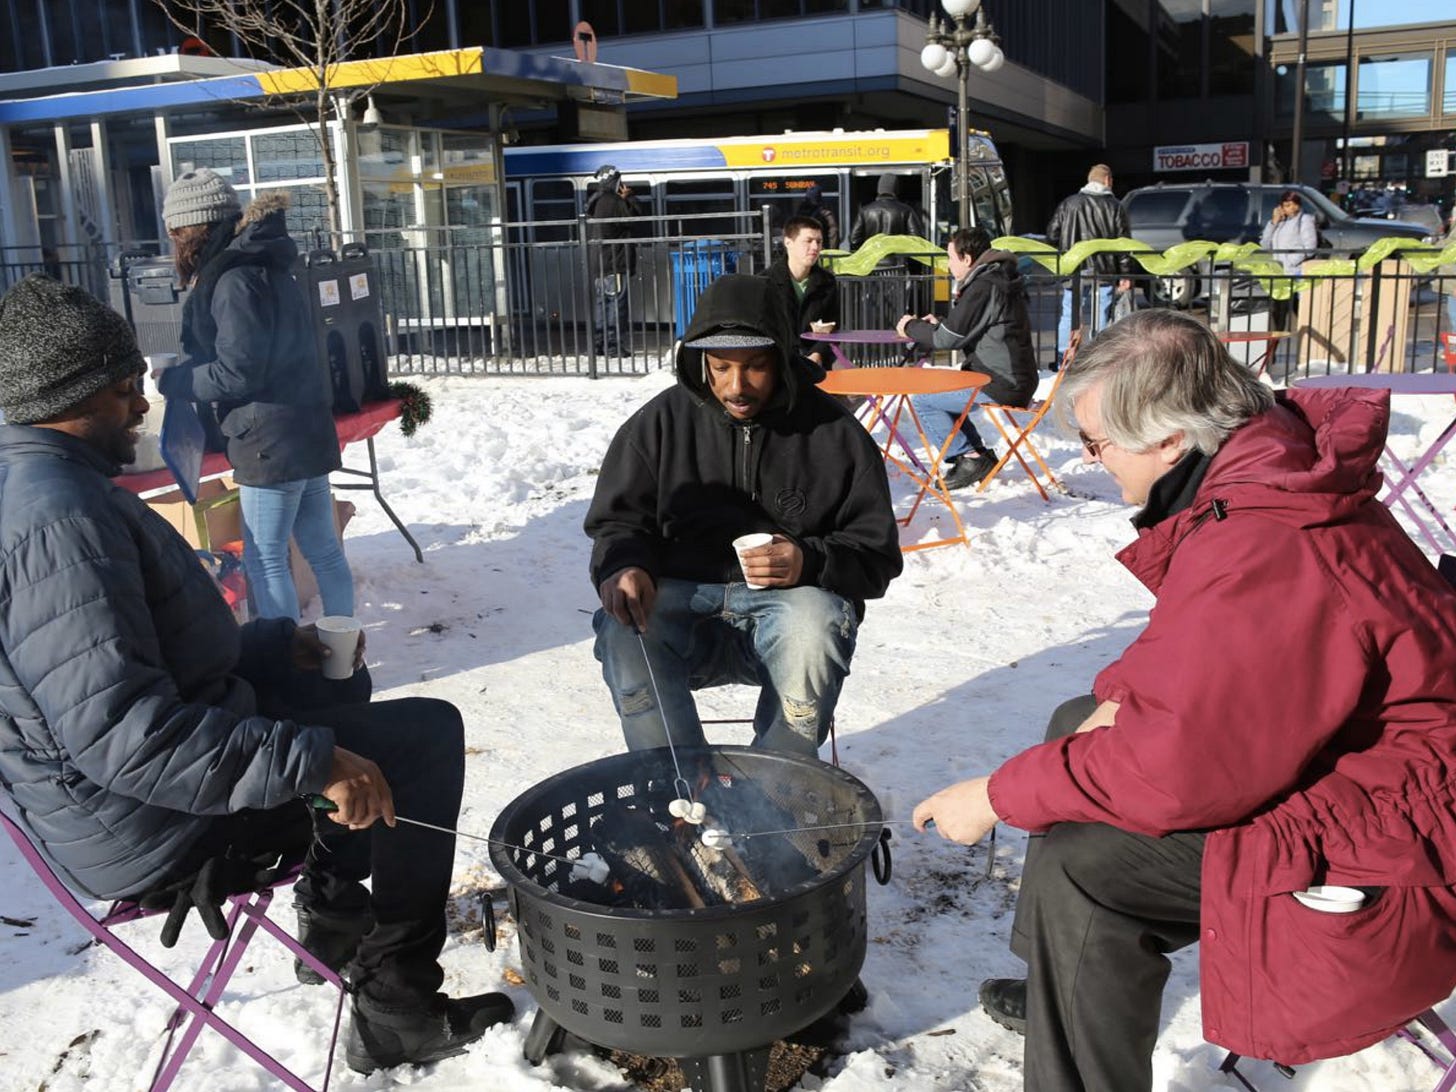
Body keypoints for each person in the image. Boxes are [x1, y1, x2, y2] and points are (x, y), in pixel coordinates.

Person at [913, 308, 1456, 1092]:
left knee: (1084, 868)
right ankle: (1063, 991)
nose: (1098, 464)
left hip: (1400, 829)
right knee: (1077, 723)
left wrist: (996, 794)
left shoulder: (1267, 536)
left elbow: (1178, 772)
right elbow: (1207, 659)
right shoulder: (1255, 474)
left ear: (1167, 439)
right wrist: (1116, 701)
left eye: (1098, 446)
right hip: (1363, 764)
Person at [0, 274, 515, 1076]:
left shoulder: (48, 487)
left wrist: (276, 648)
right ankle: (398, 1006)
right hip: (148, 824)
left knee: (332, 688)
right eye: (126, 387)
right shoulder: (58, 520)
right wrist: (310, 763)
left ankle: (337, 920)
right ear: (73, 392)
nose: (141, 406)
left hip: (130, 794)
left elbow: (138, 666)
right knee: (424, 738)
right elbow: (122, 735)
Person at [585, 273, 903, 757]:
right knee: (623, 632)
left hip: (791, 613)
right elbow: (618, 523)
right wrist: (624, 565)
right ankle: (679, 790)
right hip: (680, 609)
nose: (736, 386)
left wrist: (807, 561)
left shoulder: (835, 434)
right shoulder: (658, 425)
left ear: (782, 359)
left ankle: (775, 790)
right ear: (699, 362)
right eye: (719, 367)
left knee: (814, 626)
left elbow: (876, 557)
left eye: (755, 366)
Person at [156, 169, 352, 622]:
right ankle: (343, 646)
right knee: (323, 551)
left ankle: (284, 658)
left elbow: (238, 372)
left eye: (177, 232)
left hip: (268, 441)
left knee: (266, 559)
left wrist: (177, 380)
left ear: (198, 228)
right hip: (303, 427)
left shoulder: (233, 281)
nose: (173, 242)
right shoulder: (268, 263)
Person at [895, 226, 1038, 489]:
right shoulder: (997, 278)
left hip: (1002, 382)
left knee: (925, 401)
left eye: (950, 258)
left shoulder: (984, 286)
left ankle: (967, 457)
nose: (948, 265)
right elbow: (973, 329)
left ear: (967, 259)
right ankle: (977, 454)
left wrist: (911, 327)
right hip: (1013, 377)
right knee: (941, 391)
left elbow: (946, 340)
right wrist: (939, 324)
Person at [1046, 164, 1134, 365]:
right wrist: (1125, 274)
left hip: (1074, 269)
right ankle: (1098, 360)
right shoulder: (1115, 206)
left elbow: (1052, 234)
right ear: (1107, 180)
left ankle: (1064, 359)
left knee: (1069, 313)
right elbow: (1124, 244)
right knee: (1101, 315)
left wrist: (1063, 257)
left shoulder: (1069, 203)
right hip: (1105, 271)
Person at [849, 173, 930, 328]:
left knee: (871, 306)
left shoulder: (865, 211)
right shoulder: (906, 211)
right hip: (897, 268)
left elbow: (854, 240)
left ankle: (873, 341)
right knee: (897, 308)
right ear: (896, 189)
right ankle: (895, 344)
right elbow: (917, 240)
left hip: (870, 269)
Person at [762, 215, 839, 368]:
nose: (815, 247)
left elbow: (834, 326)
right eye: (808, 241)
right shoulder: (765, 282)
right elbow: (763, 329)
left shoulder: (827, 282)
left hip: (816, 365)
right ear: (788, 242)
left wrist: (817, 353)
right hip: (778, 365)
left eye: (819, 241)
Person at [586, 163, 640, 358]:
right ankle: (614, 346)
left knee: (602, 305)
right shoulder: (612, 201)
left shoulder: (596, 201)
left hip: (599, 263)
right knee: (616, 305)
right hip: (614, 262)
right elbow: (634, 217)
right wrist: (630, 198)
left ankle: (600, 344)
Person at [1259, 188, 1318, 330]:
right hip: (1279, 275)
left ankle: (1308, 342)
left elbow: (1310, 247)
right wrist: (1273, 222)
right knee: (1278, 315)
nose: (1289, 208)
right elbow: (1265, 244)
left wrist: (1291, 261)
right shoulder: (1280, 223)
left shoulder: (1304, 220)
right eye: (1285, 205)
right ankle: (1273, 348)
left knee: (1300, 312)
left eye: (1292, 204)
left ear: (1298, 205)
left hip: (1294, 273)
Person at [795, 182, 840, 250]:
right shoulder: (824, 212)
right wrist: (831, 249)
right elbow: (833, 230)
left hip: (802, 248)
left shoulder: (800, 211)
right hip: (819, 248)